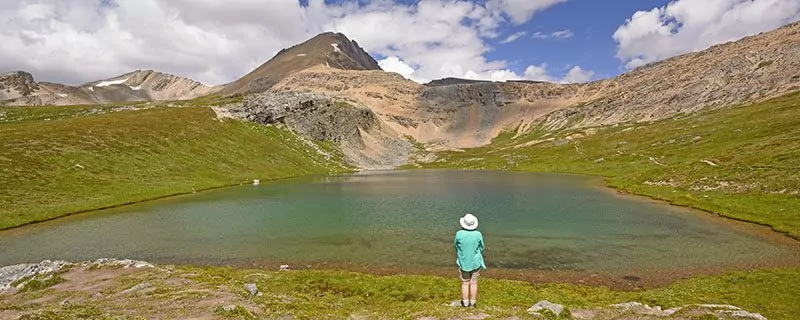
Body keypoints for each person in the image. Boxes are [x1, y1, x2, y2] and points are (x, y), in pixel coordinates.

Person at [454, 213, 485, 308]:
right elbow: (482, 247)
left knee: (465, 282)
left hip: (463, 262)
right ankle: (473, 303)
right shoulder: (478, 234)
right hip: (476, 262)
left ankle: (465, 302)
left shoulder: (459, 234)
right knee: (474, 282)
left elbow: (455, 246)